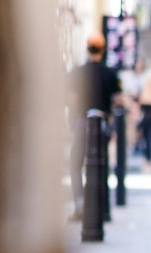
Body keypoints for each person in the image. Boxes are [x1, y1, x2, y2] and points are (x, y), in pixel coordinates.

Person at [66, 32, 121, 220]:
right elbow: (117, 100)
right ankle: (101, 209)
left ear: (87, 48)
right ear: (103, 49)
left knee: (75, 164)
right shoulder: (110, 73)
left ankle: (81, 207)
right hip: (103, 122)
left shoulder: (78, 72)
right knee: (100, 165)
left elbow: (72, 100)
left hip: (83, 122)